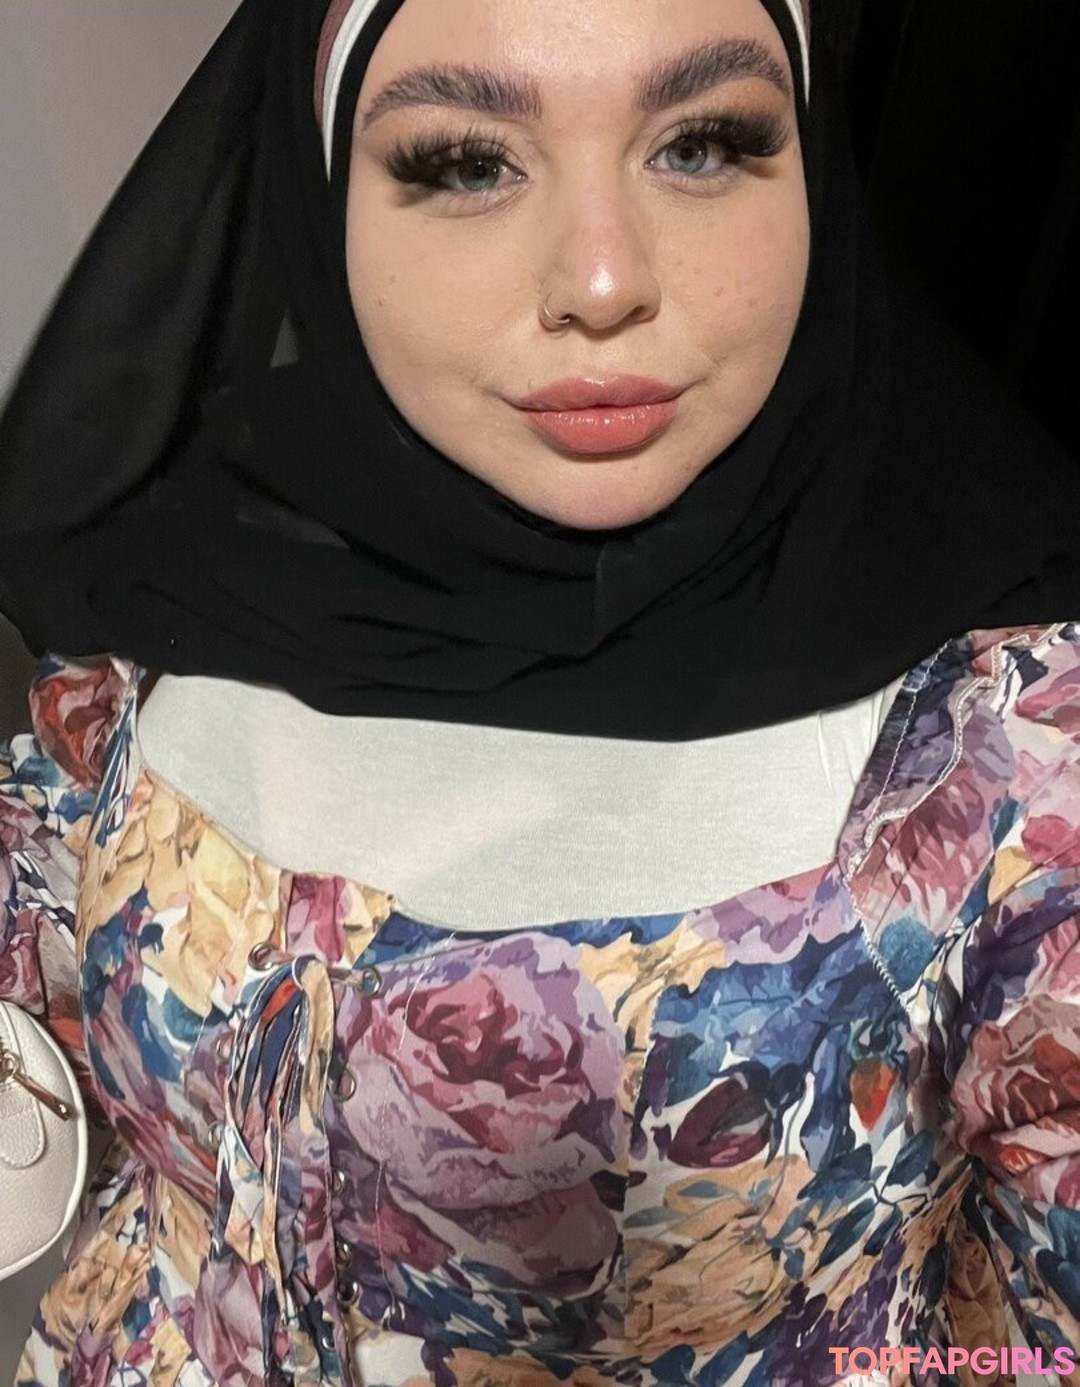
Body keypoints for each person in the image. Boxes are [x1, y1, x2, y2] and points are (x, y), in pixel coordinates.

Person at [1, 1, 1079, 1384]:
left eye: (702, 145)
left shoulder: (1010, 745)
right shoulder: (166, 589)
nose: (603, 279)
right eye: (467, 163)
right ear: (322, 189)